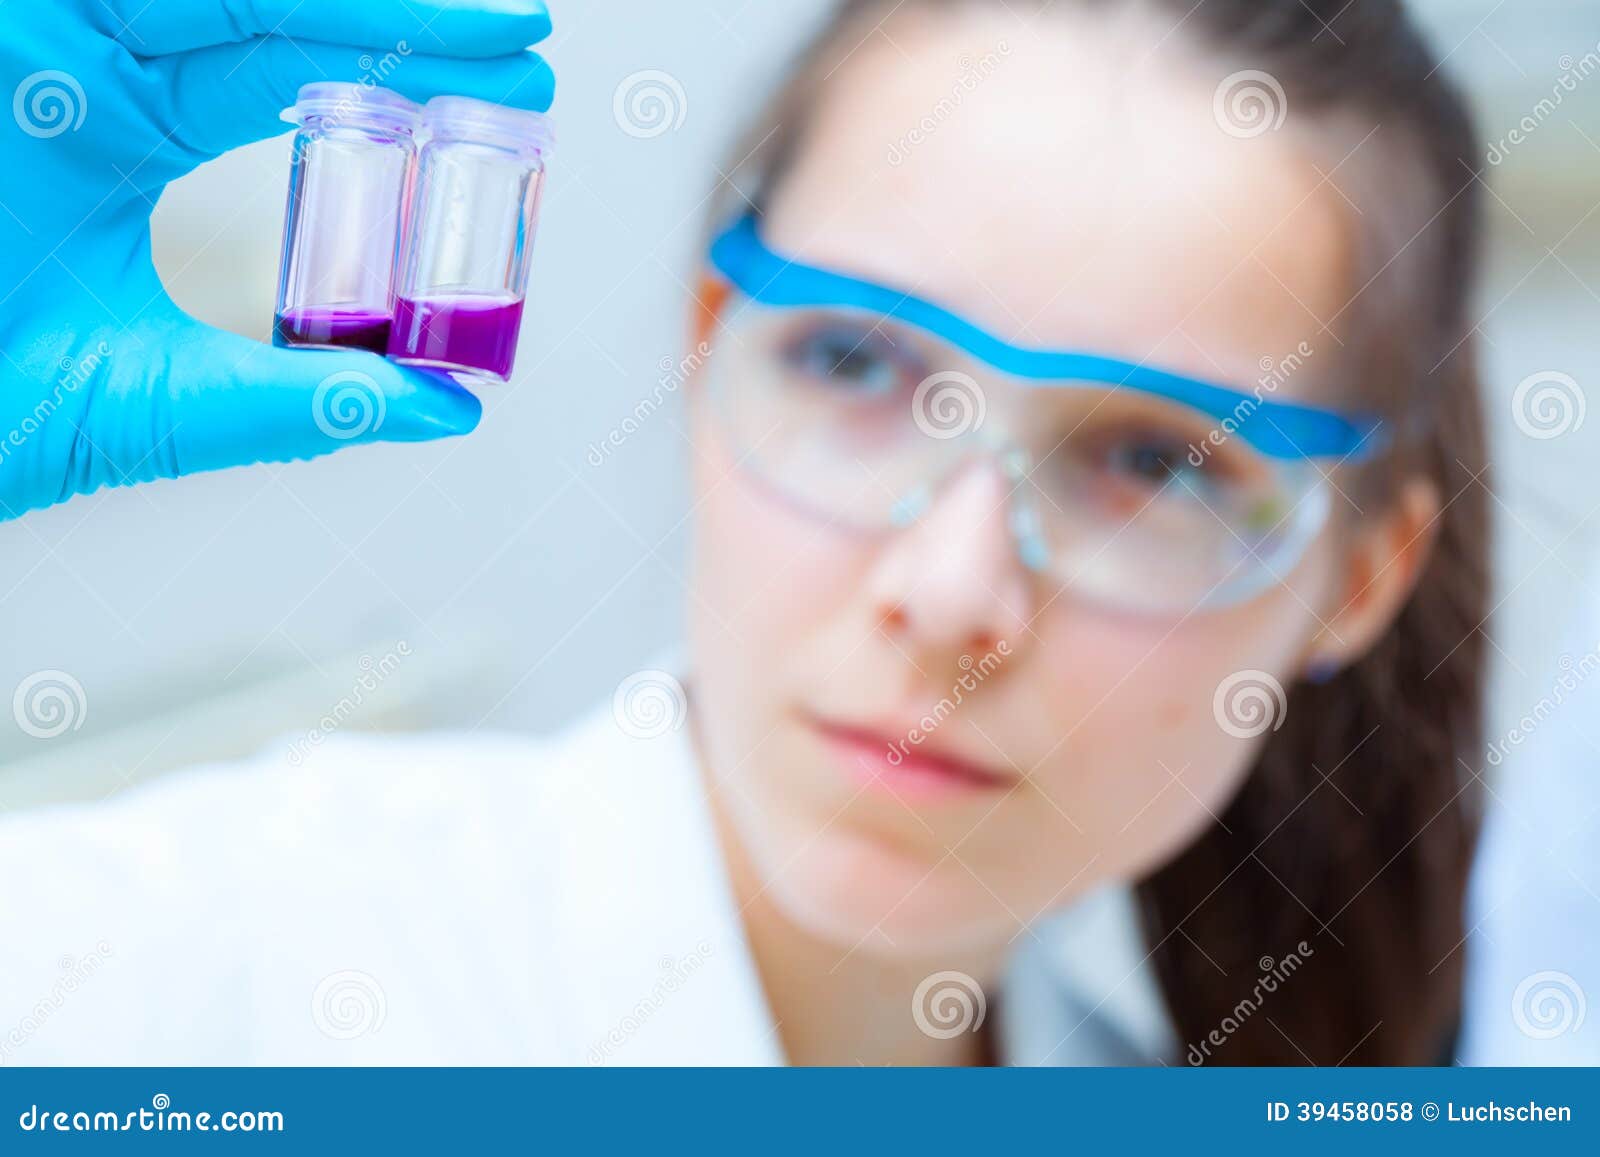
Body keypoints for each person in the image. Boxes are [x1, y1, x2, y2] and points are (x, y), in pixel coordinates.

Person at [0, 0, 1494, 1066]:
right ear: (711, 345)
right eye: (854, 362)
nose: (953, 588)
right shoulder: (186, 982)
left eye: (1159, 461)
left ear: (1358, 576)